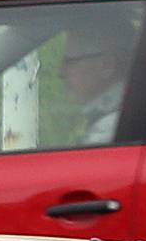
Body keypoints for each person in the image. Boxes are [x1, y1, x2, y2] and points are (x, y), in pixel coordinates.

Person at [57, 10, 137, 147]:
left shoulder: (110, 131)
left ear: (106, 65)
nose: (60, 72)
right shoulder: (132, 111)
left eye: (70, 61)